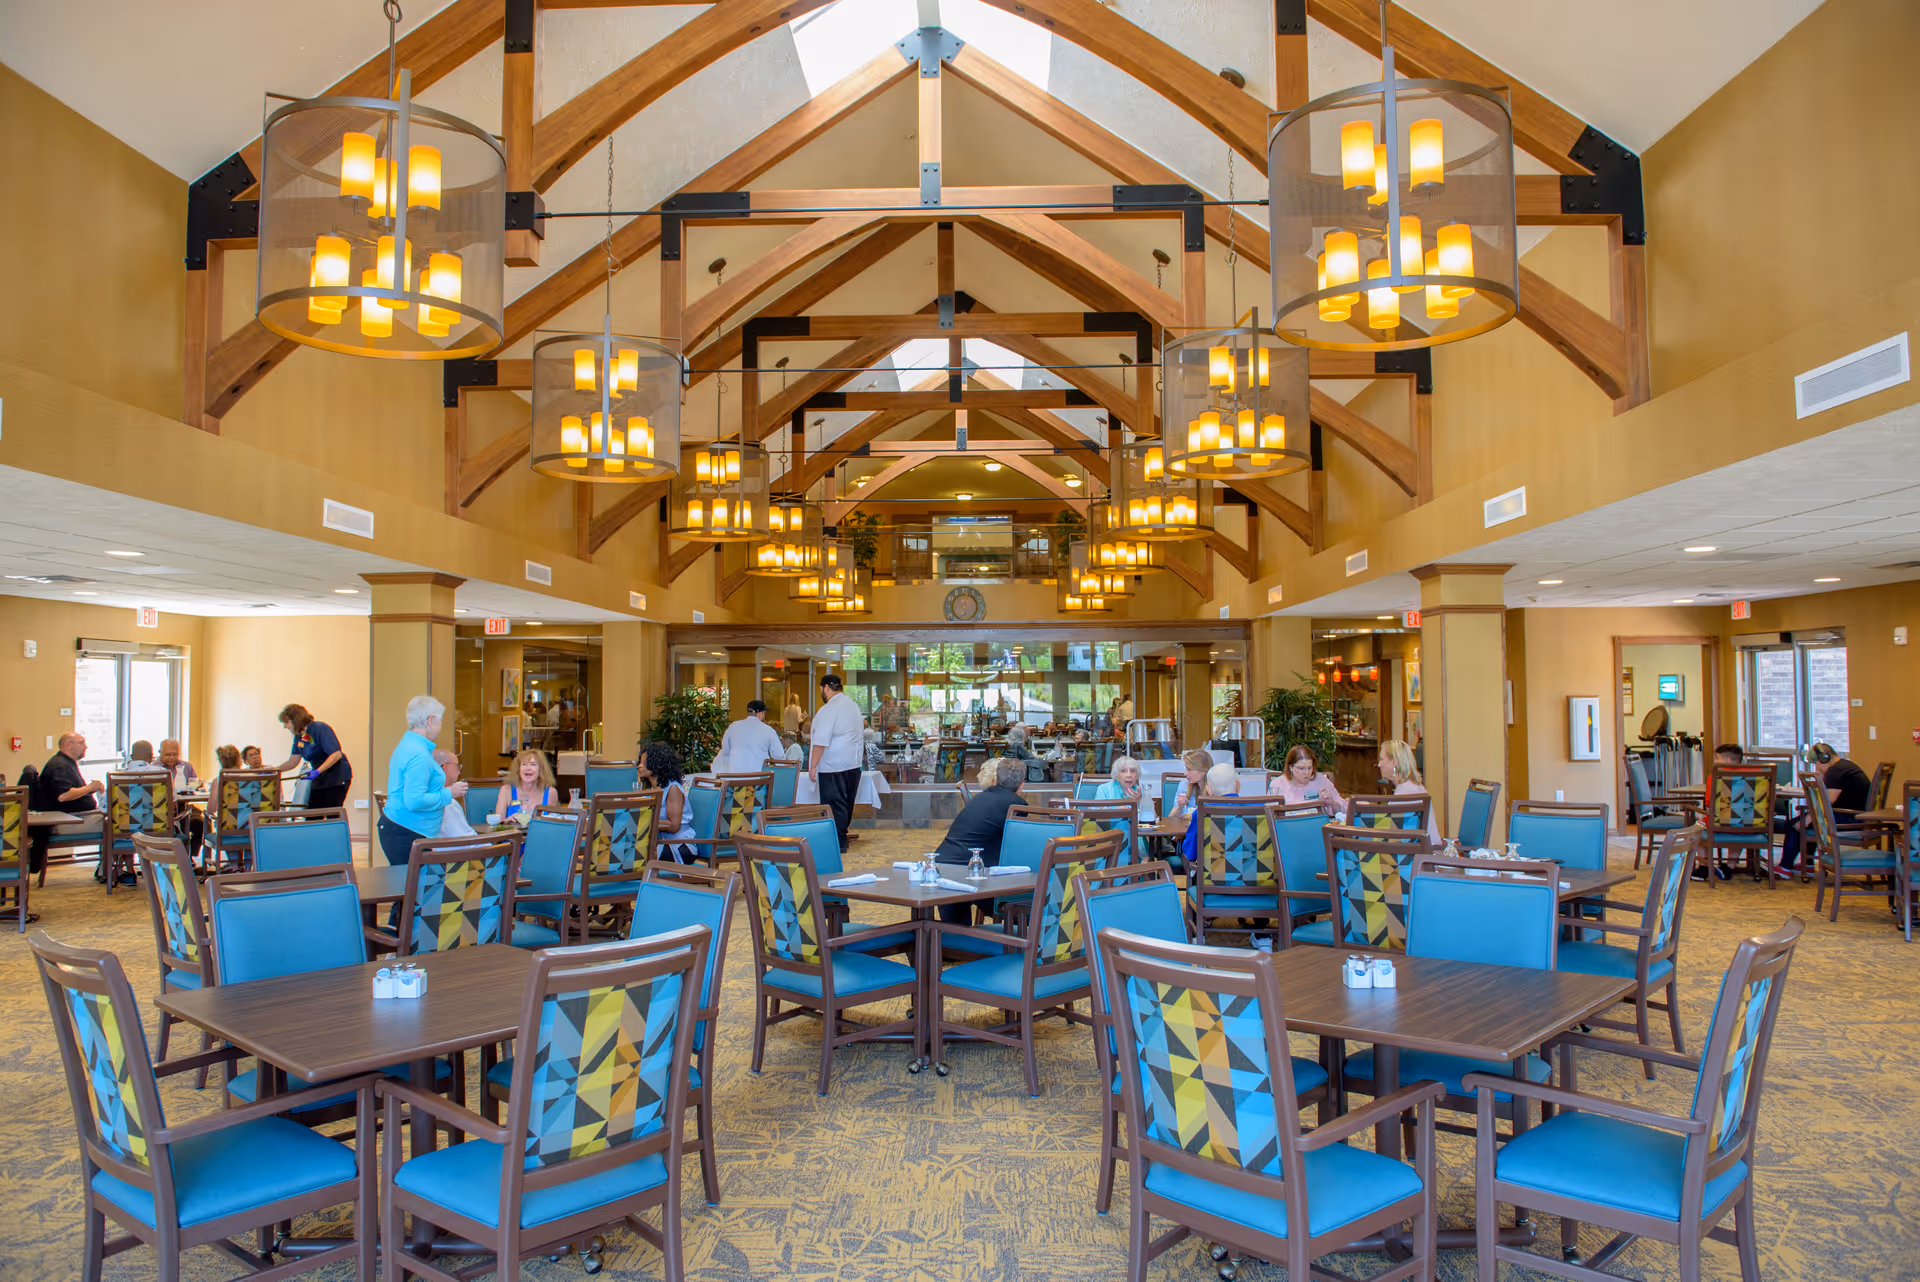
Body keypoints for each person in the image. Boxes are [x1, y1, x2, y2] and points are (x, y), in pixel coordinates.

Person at [935, 758, 1026, 923]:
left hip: (942, 865)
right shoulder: (1017, 806)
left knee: (954, 931)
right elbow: (1017, 843)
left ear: (996, 780)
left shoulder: (979, 798)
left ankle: (949, 946)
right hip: (971, 872)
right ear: (1021, 785)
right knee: (1023, 910)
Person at [379, 695, 466, 867]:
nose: (440, 727)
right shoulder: (418, 753)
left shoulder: (409, 745)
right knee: (414, 890)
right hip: (408, 831)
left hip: (403, 828)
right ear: (430, 720)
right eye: (440, 721)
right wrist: (450, 793)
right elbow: (415, 801)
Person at [1776, 742, 1871, 877]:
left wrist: (1808, 819)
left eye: (1816, 763)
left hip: (1850, 820)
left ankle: (1784, 867)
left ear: (1824, 758)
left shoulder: (1835, 771)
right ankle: (1807, 865)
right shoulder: (1844, 766)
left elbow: (1828, 801)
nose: (1816, 766)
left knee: (1795, 825)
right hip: (1857, 816)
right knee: (1809, 820)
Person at [29, 732, 104, 879]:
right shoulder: (59, 766)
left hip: (74, 816)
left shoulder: (65, 763)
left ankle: (107, 868)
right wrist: (89, 788)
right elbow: (63, 796)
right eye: (81, 743)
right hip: (67, 820)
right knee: (115, 823)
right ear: (69, 745)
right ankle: (110, 870)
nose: (86, 747)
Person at [808, 673, 865, 846]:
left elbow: (820, 741)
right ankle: (841, 835)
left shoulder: (828, 709)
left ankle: (837, 842)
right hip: (853, 764)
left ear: (825, 688)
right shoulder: (853, 706)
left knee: (834, 804)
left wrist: (813, 765)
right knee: (847, 803)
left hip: (833, 765)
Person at [275, 703, 352, 811]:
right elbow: (293, 761)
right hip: (319, 777)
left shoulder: (320, 728)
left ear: (295, 720)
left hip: (336, 776)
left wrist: (317, 772)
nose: (285, 727)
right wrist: (274, 770)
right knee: (312, 813)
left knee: (332, 813)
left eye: (287, 723)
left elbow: (336, 755)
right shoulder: (299, 737)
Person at [638, 742, 697, 863]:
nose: (639, 766)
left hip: (679, 846)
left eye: (644, 763)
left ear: (656, 764)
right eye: (640, 762)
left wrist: (644, 823)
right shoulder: (651, 790)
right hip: (660, 843)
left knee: (634, 853)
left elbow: (673, 826)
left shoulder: (673, 789)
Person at [1377, 738, 1443, 845]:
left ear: (1395, 762)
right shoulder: (1413, 787)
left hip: (1414, 857)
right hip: (1426, 852)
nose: (1379, 764)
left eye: (1382, 759)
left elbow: (1390, 835)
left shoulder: (1405, 793)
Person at [1270, 744, 1345, 817]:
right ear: (1291, 767)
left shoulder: (1321, 780)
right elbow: (1270, 815)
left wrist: (1332, 803)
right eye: (1301, 768)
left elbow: (1345, 809)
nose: (1306, 773)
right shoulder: (1278, 784)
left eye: (1309, 768)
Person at [716, 699, 784, 774]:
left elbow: (725, 750)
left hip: (734, 779)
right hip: (758, 781)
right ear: (760, 714)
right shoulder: (768, 730)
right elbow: (779, 756)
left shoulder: (733, 726)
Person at [500, 749, 556, 824]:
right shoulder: (506, 790)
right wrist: (508, 821)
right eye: (524, 764)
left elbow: (553, 824)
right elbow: (497, 824)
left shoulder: (551, 793)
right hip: (512, 834)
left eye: (533, 764)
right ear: (518, 769)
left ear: (540, 770)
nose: (528, 768)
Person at [432, 749, 476, 839]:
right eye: (457, 767)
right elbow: (466, 840)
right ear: (445, 767)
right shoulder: (447, 802)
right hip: (456, 851)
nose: (459, 772)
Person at [1168, 749, 1214, 818]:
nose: (1185, 773)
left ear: (1204, 770)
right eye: (1185, 769)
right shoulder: (1184, 785)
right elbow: (1170, 820)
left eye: (1189, 769)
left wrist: (1212, 800)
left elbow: (1221, 823)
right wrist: (1179, 807)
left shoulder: (1215, 789)